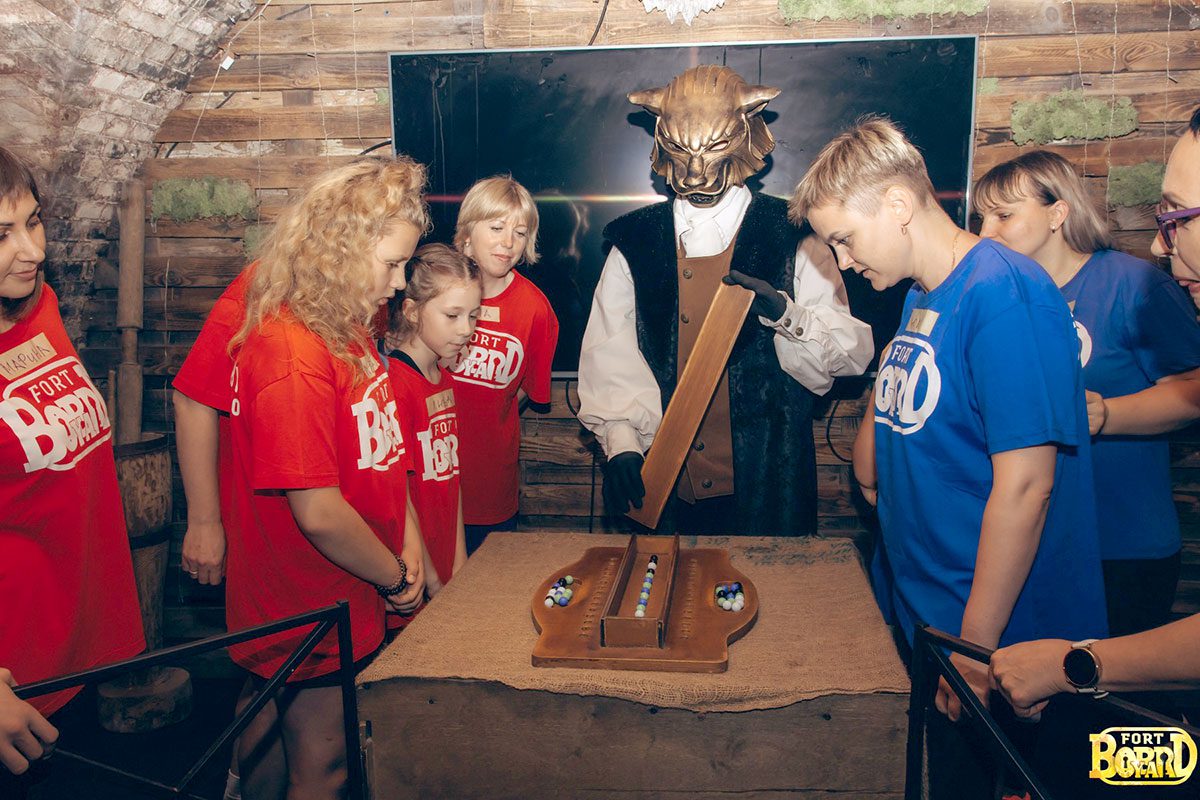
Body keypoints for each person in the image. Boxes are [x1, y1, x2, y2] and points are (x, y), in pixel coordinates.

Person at [791, 117, 1108, 724]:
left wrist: (974, 652)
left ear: (898, 204)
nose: (844, 261)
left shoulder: (1005, 293)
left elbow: (1027, 486)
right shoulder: (920, 294)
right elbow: (883, 454)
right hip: (930, 614)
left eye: (846, 239)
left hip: (998, 639)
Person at [577, 65, 873, 536]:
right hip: (665, 488)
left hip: (769, 485)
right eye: (680, 149)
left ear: (743, 136)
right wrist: (622, 442)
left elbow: (848, 355)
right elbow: (610, 352)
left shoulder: (796, 234)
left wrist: (788, 315)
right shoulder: (633, 242)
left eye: (713, 147)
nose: (695, 171)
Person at [224, 155, 429, 799]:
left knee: (273, 734)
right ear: (339, 252)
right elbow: (317, 510)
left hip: (352, 579)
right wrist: (394, 576)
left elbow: (380, 451)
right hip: (308, 595)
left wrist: (406, 542)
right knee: (326, 765)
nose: (399, 284)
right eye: (391, 264)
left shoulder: (345, 322)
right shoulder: (293, 353)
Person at [989, 106, 1200, 715]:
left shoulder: (1134, 284)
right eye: (984, 217)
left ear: (1058, 213)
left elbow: (1195, 388)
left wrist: (1106, 415)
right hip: (1041, 539)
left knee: (1109, 715)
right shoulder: (1006, 297)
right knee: (1038, 706)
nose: (988, 231)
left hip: (1122, 541)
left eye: (1004, 214)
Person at [0, 147, 144, 783]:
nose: (32, 249)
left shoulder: (41, 307)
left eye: (32, 221)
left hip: (75, 644)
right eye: (2, 234)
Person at [445, 176, 558, 554]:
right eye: (496, 227)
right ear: (466, 233)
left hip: (489, 484)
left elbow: (526, 390)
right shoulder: (433, 292)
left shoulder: (536, 310)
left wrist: (489, 409)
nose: (508, 242)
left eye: (520, 233)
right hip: (428, 477)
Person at [386, 244, 480, 594]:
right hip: (415, 569)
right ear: (412, 311)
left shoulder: (446, 379)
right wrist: (431, 577)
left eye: (473, 315)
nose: (466, 329)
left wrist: (459, 561)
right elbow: (401, 494)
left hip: (444, 556)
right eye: (452, 316)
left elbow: (451, 476)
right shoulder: (396, 385)